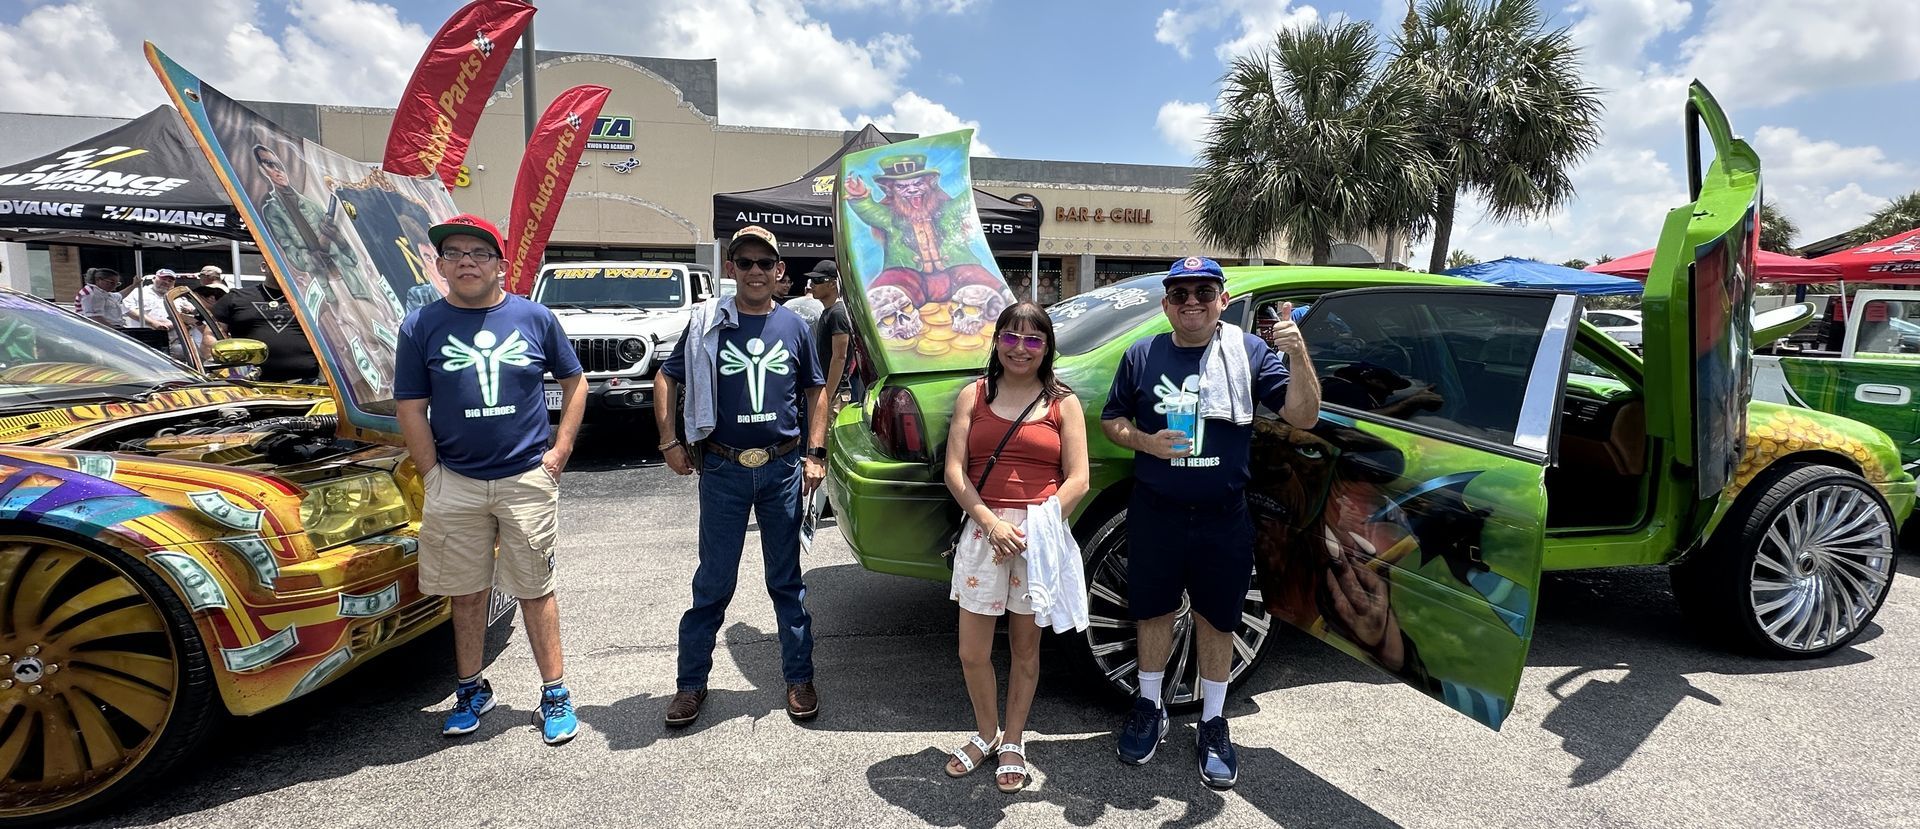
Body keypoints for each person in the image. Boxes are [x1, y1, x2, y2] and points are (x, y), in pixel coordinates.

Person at [1100, 256, 1319, 789]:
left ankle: (1214, 721)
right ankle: (1149, 707)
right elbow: (1112, 420)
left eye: (1204, 291)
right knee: (1152, 612)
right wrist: (1146, 442)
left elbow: (1304, 415)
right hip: (1156, 511)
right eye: (1180, 293)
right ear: (1166, 305)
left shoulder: (1249, 352)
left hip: (1224, 515)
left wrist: (1298, 355)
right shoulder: (1142, 354)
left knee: (1218, 619)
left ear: (1223, 300)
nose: (1192, 301)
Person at [395, 213, 587, 746]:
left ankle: (554, 692)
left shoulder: (534, 317)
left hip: (526, 478)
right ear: (440, 266)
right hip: (455, 480)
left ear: (500, 265)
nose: (466, 262)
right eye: (454, 253)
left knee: (535, 590)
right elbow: (410, 406)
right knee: (466, 593)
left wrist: (559, 453)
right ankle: (470, 690)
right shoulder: (420, 326)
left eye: (478, 253)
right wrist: (432, 474)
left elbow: (575, 381)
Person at [654, 225, 828, 727]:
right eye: (745, 262)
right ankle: (691, 685)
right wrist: (668, 441)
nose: (755, 271)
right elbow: (667, 376)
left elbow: (816, 390)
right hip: (723, 468)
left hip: (782, 467)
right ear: (730, 268)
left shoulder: (794, 326)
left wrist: (816, 453)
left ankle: (799, 678)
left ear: (779, 270)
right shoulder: (707, 323)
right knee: (713, 582)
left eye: (764, 263)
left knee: (786, 582)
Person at [940, 301, 1089, 793]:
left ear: (1047, 347)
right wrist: (991, 524)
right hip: (983, 532)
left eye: (1032, 339)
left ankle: (1013, 741)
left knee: (1026, 648)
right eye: (1010, 336)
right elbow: (955, 471)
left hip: (1038, 538)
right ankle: (986, 734)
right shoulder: (974, 394)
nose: (1020, 348)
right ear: (997, 340)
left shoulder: (1063, 403)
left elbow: (1079, 479)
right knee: (972, 651)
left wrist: (1033, 529)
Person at [210, 270, 322, 383]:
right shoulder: (235, 297)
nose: (285, 269)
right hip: (250, 384)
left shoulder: (310, 300)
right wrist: (227, 373)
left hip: (306, 384)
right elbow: (211, 336)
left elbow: (330, 337)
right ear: (263, 267)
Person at [807, 260, 852, 404]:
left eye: (818, 280)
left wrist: (827, 395)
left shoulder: (837, 313)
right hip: (827, 390)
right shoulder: (828, 312)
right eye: (811, 280)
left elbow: (840, 357)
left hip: (835, 394)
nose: (812, 285)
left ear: (832, 284)